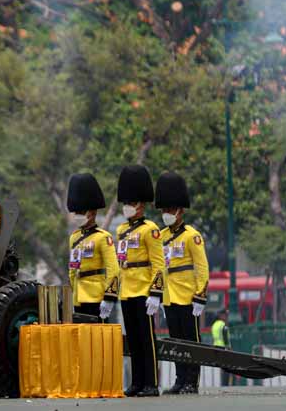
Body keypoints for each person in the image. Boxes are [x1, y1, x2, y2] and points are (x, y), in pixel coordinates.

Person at [156, 172, 209, 395]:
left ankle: (191, 381)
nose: (166, 214)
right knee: (177, 342)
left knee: (191, 341)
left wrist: (200, 295)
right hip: (169, 295)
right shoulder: (160, 235)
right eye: (164, 210)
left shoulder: (192, 235)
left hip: (188, 295)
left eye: (170, 209)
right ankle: (179, 379)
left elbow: (202, 268)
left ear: (181, 210)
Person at [115, 165, 164, 397]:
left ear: (140, 205)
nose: (126, 206)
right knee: (133, 340)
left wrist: (156, 293)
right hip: (127, 290)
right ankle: (136, 382)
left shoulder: (151, 230)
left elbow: (158, 264)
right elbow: (120, 262)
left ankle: (151, 383)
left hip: (144, 289)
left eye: (130, 202)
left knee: (147, 339)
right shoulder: (121, 230)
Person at [66, 173, 120, 321]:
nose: (77, 215)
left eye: (81, 212)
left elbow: (113, 270)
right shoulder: (74, 238)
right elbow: (72, 270)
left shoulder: (103, 237)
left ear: (92, 212)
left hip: (97, 297)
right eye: (76, 212)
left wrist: (109, 297)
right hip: (78, 297)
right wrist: (73, 292)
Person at [211, 309, 232, 385]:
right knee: (227, 368)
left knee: (222, 368)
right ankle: (225, 384)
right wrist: (228, 347)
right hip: (223, 348)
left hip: (216, 348)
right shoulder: (222, 325)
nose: (227, 317)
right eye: (225, 315)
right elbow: (225, 338)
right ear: (221, 316)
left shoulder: (214, 325)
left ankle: (223, 384)